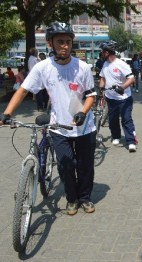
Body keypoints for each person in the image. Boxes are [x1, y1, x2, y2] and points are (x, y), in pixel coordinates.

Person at [0, 22, 97, 215]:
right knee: (66, 165)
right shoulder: (42, 68)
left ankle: (85, 198)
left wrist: (83, 113)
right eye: (60, 41)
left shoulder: (83, 67)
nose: (65, 45)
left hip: (85, 126)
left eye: (68, 42)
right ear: (50, 43)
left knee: (85, 165)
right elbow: (23, 90)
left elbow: (91, 95)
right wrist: (7, 113)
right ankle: (71, 199)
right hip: (58, 126)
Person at [99, 40, 137, 152]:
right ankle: (116, 136)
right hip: (111, 98)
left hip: (124, 98)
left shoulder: (121, 64)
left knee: (126, 119)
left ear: (108, 52)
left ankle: (131, 142)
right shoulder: (105, 64)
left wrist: (122, 88)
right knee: (113, 120)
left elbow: (131, 78)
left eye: (103, 51)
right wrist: (101, 87)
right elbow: (103, 78)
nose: (102, 53)